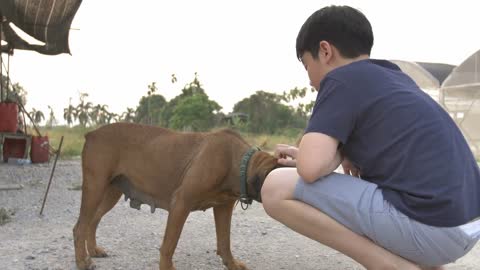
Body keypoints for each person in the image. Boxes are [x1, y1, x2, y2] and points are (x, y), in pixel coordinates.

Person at [261, 5, 480, 270]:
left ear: (325, 51)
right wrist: (337, 153)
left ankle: (388, 265)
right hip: (466, 226)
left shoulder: (341, 79)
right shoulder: (395, 78)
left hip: (433, 227)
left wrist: (336, 152)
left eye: (307, 65)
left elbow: (309, 169)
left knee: (275, 187)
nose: (309, 82)